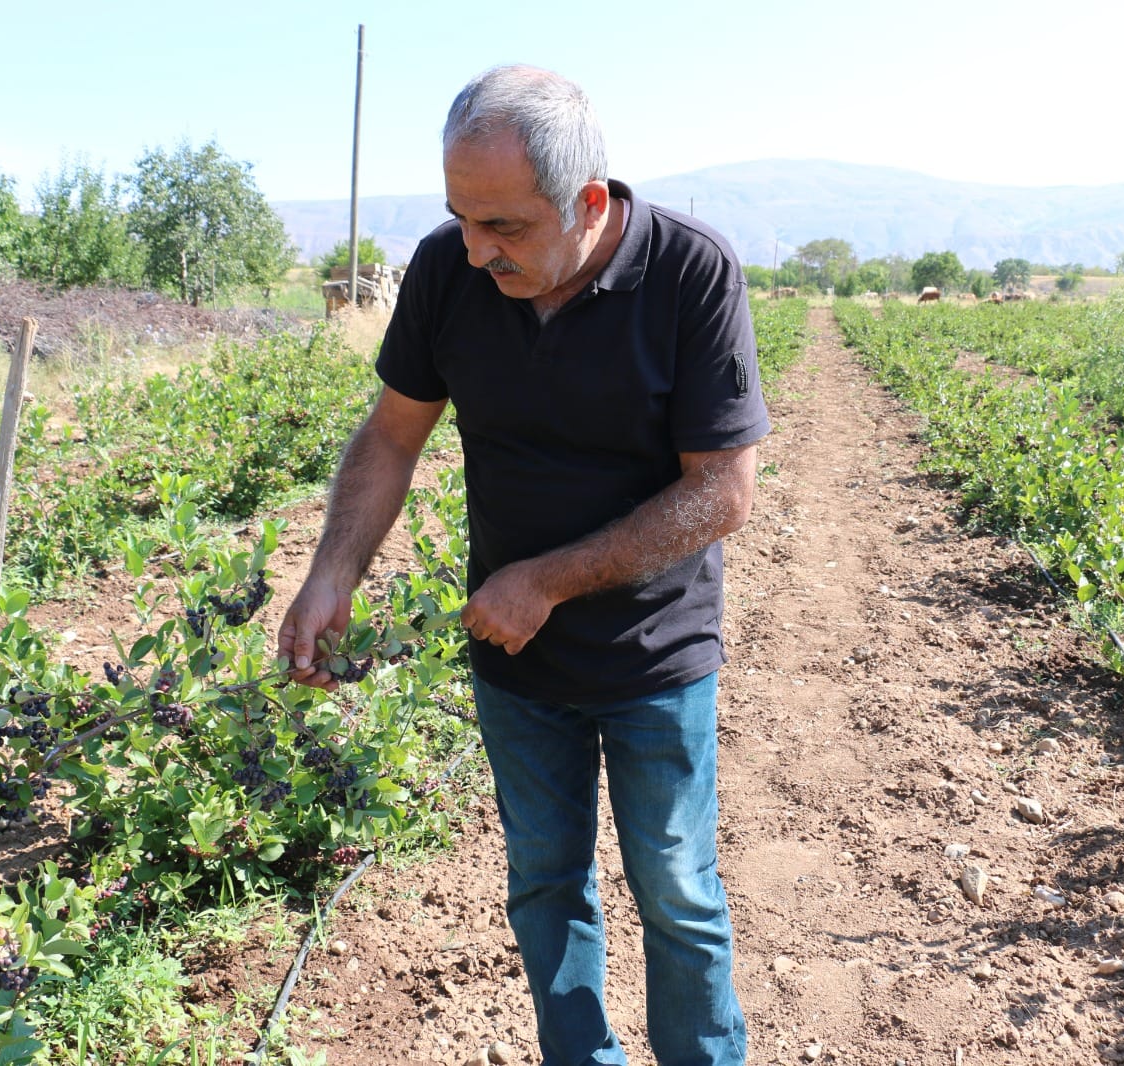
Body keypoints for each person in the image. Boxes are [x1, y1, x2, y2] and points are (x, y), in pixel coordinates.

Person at [277, 63, 768, 1066]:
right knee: (545, 883)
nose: (473, 248)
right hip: (515, 664)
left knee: (676, 888)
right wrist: (334, 571)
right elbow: (390, 439)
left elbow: (721, 488)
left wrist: (546, 579)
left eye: (503, 226)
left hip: (652, 655)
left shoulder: (690, 274)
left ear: (588, 203)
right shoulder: (449, 272)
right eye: (461, 216)